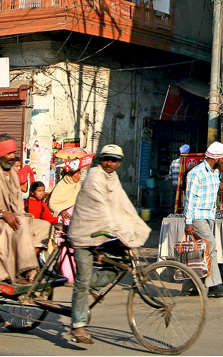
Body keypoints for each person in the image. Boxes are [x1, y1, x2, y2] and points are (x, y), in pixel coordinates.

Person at [66, 144, 150, 345]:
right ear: (100, 160)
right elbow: (101, 206)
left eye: (114, 160)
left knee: (122, 262)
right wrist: (117, 228)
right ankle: (78, 325)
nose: (109, 163)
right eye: (106, 159)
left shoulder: (113, 178)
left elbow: (122, 205)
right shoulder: (95, 176)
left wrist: (135, 224)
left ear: (119, 163)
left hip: (103, 232)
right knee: (82, 279)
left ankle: (93, 284)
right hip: (84, 234)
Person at [0, 134, 51, 285]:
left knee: (44, 226)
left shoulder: (11, 173)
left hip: (14, 216)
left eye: (14, 153)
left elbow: (16, 202)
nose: (13, 157)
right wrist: (3, 214)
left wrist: (15, 214)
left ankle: (30, 267)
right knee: (18, 225)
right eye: (9, 154)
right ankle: (20, 272)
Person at [183, 142, 223, 298]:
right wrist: (188, 222)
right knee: (211, 245)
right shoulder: (196, 173)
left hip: (210, 216)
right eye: (222, 158)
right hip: (197, 216)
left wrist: (221, 187)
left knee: (200, 251)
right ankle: (214, 284)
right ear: (216, 158)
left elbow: (211, 191)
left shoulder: (214, 173)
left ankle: (191, 285)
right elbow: (189, 199)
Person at [50, 169, 83, 283]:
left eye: (80, 173)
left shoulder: (79, 186)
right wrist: (61, 211)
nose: (79, 176)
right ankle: (68, 276)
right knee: (66, 248)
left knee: (76, 248)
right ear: (70, 175)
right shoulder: (61, 186)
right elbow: (53, 203)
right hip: (65, 222)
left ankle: (61, 269)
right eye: (77, 173)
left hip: (77, 220)